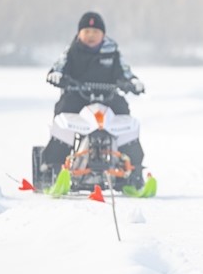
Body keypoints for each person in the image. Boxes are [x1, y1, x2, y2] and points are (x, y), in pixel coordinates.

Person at [40, 11, 146, 187]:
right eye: (87, 32)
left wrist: (132, 82)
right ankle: (54, 165)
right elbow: (58, 67)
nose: (91, 36)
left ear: (103, 35)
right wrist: (57, 75)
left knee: (125, 115)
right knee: (63, 113)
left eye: (95, 32)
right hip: (77, 95)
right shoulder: (72, 50)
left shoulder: (112, 51)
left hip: (108, 97)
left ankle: (133, 169)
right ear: (79, 33)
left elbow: (125, 72)